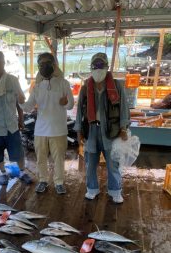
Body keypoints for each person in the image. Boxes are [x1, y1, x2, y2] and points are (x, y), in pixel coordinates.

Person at [75, 52, 130, 204]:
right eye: (95, 66)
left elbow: (124, 108)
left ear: (106, 67)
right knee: (90, 163)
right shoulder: (86, 87)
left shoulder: (117, 85)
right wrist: (79, 131)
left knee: (113, 164)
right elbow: (79, 110)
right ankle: (92, 189)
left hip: (111, 131)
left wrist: (123, 128)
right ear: (91, 68)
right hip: (91, 131)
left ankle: (115, 191)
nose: (98, 69)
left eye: (101, 65)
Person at [20, 52, 74, 194]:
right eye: (41, 64)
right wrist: (19, 100)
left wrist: (66, 102)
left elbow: (71, 105)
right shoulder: (37, 87)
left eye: (47, 64)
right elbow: (28, 107)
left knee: (59, 159)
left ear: (54, 65)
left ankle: (59, 182)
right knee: (41, 159)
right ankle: (43, 180)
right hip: (40, 130)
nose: (44, 67)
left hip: (59, 130)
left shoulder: (63, 83)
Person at [0, 50, 32, 186]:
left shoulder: (13, 80)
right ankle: (3, 173)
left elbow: (19, 102)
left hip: (11, 124)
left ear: (4, 62)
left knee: (18, 151)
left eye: (1, 62)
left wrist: (21, 119)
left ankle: (21, 172)